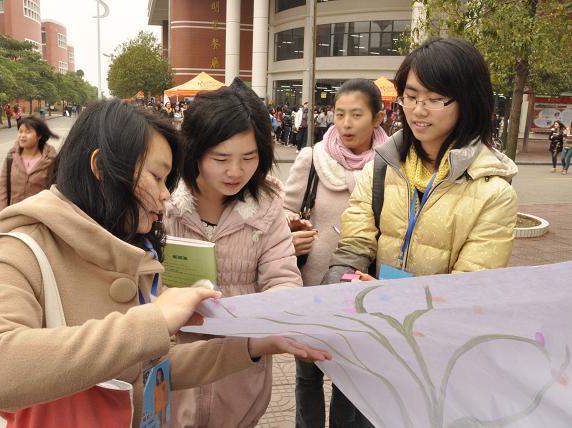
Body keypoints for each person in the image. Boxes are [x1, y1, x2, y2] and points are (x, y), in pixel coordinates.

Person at [0, 100, 330, 427]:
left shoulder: (132, 249)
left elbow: (153, 368)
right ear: (101, 168)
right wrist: (152, 320)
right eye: (156, 177)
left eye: (167, 180)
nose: (165, 195)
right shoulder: (20, 250)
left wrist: (253, 344)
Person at [321, 37, 518, 427]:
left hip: (432, 359)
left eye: (434, 99)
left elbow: (468, 290)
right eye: (410, 97)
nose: (418, 110)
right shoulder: (382, 166)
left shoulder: (493, 192)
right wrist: (338, 288)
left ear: (468, 100)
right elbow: (354, 244)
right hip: (370, 346)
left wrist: (389, 298)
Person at [164, 79, 306, 427]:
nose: (235, 171)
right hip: (175, 365)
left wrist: (282, 311)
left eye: (249, 158)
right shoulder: (163, 204)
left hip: (240, 368)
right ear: (195, 151)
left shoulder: (267, 208)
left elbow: (283, 278)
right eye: (221, 158)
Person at [283, 78, 388, 428]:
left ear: (378, 118)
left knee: (351, 382)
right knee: (307, 378)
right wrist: (291, 230)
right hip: (310, 291)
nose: (345, 123)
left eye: (356, 115)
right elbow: (282, 211)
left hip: (361, 295)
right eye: (340, 114)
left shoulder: (390, 166)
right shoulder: (313, 159)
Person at [0, 116, 59, 212]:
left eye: (27, 132)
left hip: (39, 216)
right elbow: (3, 190)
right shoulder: (11, 158)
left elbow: (55, 193)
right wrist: (1, 214)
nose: (22, 135)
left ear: (39, 136)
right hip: (14, 214)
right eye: (20, 131)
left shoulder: (50, 160)